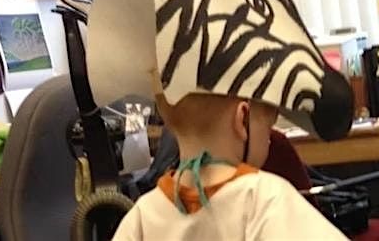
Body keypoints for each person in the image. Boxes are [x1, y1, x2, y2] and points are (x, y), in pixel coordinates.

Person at [112, 91, 346, 240]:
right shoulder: (264, 198)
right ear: (242, 118)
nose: (268, 139)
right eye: (268, 127)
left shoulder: (143, 214)